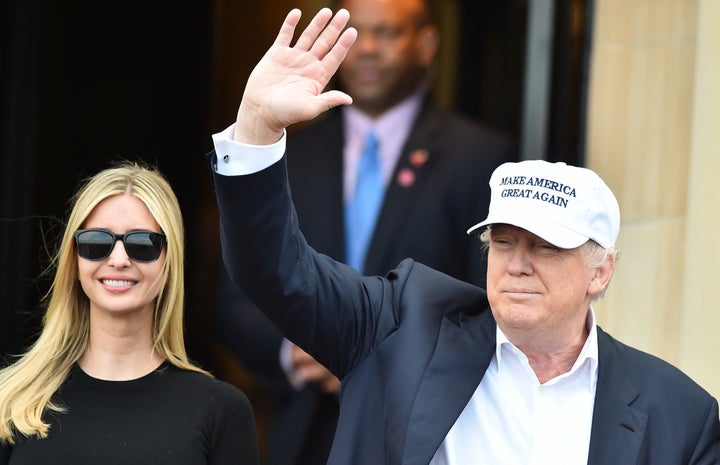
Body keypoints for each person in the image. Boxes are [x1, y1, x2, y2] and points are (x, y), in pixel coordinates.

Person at [209, 7, 720, 465]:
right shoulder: (402, 328)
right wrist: (256, 128)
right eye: (503, 242)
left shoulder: (679, 414)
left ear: (601, 269)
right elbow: (278, 273)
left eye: (545, 246)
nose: (518, 263)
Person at [213, 0, 516, 463]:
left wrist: (381, 354)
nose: (368, 49)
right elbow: (238, 293)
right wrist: (293, 351)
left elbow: (494, 300)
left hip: (421, 428)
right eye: (355, 34)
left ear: (427, 44)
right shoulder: (288, 152)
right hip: (302, 431)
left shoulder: (481, 158)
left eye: (387, 33)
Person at [0, 162, 259, 465]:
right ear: (74, 260)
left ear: (168, 261)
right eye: (97, 242)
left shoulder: (220, 411)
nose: (119, 259)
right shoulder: (13, 400)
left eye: (142, 244)